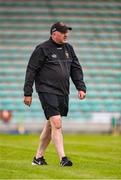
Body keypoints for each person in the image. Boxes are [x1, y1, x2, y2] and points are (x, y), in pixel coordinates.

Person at [23, 22, 86, 166]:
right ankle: (63, 159)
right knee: (57, 123)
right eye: (63, 32)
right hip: (46, 90)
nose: (66, 34)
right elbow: (31, 70)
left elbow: (76, 69)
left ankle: (38, 158)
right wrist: (28, 92)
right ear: (54, 34)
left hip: (62, 92)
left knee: (51, 125)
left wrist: (81, 87)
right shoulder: (42, 49)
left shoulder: (69, 48)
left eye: (67, 32)